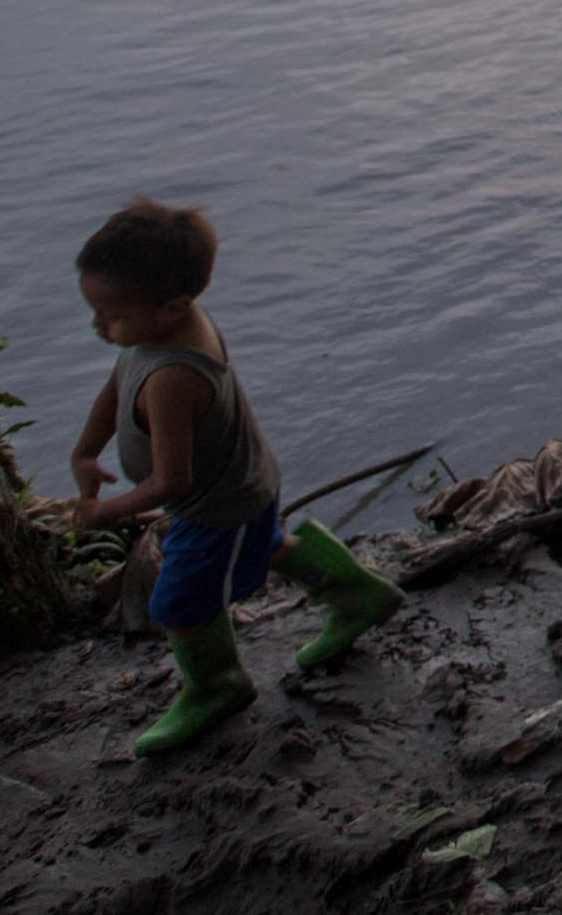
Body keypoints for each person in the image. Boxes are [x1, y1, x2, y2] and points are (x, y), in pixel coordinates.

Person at [66, 196, 406, 752]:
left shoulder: (174, 375)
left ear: (173, 307)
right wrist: (85, 452)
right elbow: (115, 384)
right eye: (96, 312)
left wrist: (104, 512)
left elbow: (172, 482)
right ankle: (358, 595)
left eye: (112, 315)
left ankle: (216, 684)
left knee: (178, 603)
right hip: (246, 479)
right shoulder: (152, 332)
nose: (100, 327)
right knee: (266, 544)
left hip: (217, 506)